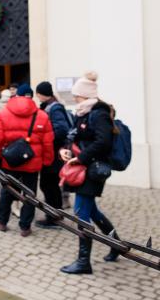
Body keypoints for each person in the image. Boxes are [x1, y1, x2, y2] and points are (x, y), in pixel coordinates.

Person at [59, 71, 119, 274]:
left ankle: (84, 262)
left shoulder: (98, 113)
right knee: (92, 211)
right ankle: (116, 244)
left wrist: (81, 157)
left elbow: (104, 142)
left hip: (93, 170)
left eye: (77, 95)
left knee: (81, 213)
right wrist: (67, 150)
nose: (74, 98)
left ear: (84, 95)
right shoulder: (83, 112)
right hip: (84, 167)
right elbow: (76, 137)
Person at [0, 84, 54, 237]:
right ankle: (25, 227)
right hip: (33, 163)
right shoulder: (42, 115)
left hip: (10, 161)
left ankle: (2, 222)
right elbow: (48, 142)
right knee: (29, 194)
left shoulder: (3, 113)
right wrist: (46, 161)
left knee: (7, 191)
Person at [34, 81, 72, 228]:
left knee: (49, 184)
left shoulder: (54, 108)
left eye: (38, 93)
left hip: (54, 154)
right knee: (49, 184)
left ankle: (54, 218)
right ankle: (55, 215)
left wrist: (46, 139)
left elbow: (61, 130)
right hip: (51, 153)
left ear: (41, 93)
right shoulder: (50, 106)